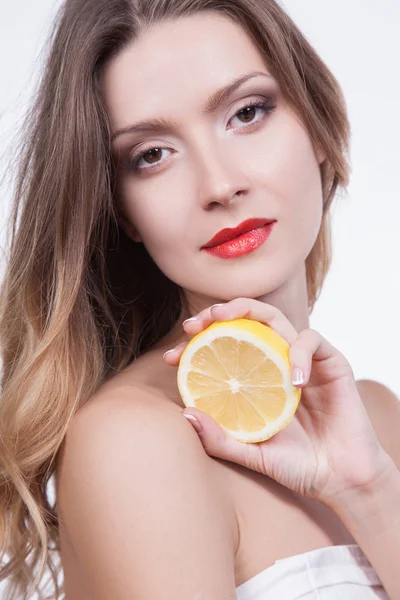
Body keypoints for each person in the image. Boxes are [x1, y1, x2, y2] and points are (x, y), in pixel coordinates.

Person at [0, 0, 399, 598]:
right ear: (121, 211)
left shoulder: (377, 418)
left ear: (315, 124)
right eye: (152, 155)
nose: (219, 185)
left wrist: (367, 488)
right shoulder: (133, 443)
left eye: (248, 112)